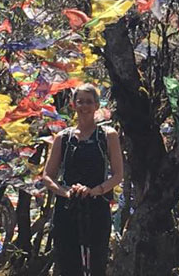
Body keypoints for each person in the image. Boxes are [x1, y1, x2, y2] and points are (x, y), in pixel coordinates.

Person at [42, 84, 123, 276]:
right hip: (67, 208)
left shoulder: (108, 136)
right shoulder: (63, 138)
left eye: (89, 102)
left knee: (96, 263)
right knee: (68, 263)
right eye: (80, 102)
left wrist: (96, 190)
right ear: (73, 105)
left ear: (96, 105)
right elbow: (47, 176)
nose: (84, 106)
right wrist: (66, 192)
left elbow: (118, 174)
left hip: (97, 206)